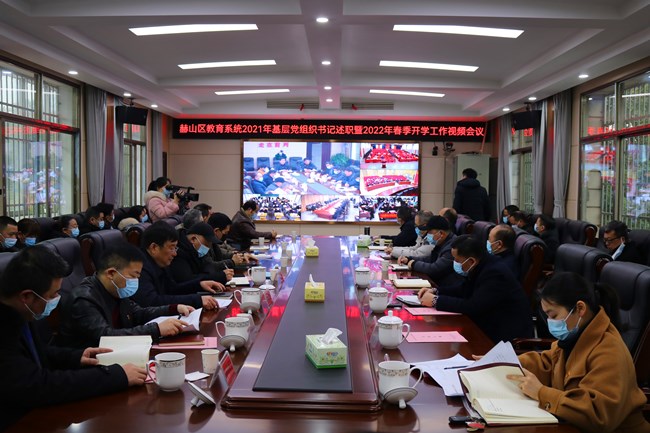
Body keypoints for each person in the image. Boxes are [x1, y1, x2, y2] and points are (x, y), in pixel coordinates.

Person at [0, 246, 146, 431]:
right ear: (27, 296)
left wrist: (76, 356)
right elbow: (37, 386)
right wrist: (116, 376)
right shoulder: (4, 328)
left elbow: (36, 353)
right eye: (53, 294)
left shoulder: (20, 311)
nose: (57, 298)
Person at [511, 272, 650, 432]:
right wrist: (507, 363)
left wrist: (541, 393)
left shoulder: (609, 351)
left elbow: (598, 414)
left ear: (580, 308)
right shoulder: (575, 337)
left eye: (554, 315)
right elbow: (547, 363)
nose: (550, 323)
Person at [56, 244, 194, 349]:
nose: (136, 281)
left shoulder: (115, 289)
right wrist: (156, 329)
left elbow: (138, 313)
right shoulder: (84, 299)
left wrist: (173, 309)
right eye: (133, 276)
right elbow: (105, 337)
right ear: (111, 273)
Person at [417, 235, 533, 342]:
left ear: (471, 261)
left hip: (503, 335)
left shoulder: (495, 273)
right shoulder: (482, 265)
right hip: (486, 324)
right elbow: (464, 289)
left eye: (457, 260)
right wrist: (436, 291)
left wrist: (436, 301)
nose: (454, 263)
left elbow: (473, 306)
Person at [130, 222, 221, 310]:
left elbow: (172, 289)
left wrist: (200, 285)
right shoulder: (139, 267)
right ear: (154, 247)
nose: (175, 253)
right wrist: (197, 300)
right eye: (171, 248)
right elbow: (153, 301)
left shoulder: (160, 262)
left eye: (175, 248)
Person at [400, 216, 463, 287]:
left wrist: (413, 264)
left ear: (441, 233)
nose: (427, 236)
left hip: (446, 287)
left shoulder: (452, 247)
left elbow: (435, 269)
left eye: (430, 233)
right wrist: (409, 259)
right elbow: (431, 259)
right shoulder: (442, 243)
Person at [169, 222, 233, 284]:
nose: (207, 249)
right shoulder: (179, 252)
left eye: (209, 246)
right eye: (206, 245)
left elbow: (208, 269)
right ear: (193, 239)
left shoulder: (197, 250)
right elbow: (188, 279)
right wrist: (219, 276)